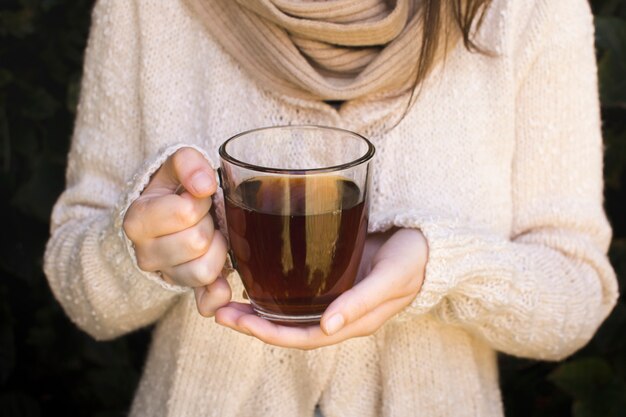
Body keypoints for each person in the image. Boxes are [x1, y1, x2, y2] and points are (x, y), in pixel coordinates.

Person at [44, 0, 619, 416]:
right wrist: (140, 245)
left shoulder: (531, 10)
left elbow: (578, 291)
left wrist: (441, 268)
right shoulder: (147, 9)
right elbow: (80, 292)